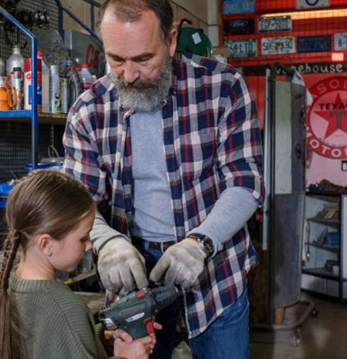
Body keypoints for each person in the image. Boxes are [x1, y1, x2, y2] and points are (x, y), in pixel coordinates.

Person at [63, 0, 264, 358]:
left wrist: (200, 242)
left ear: (170, 41)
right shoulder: (88, 111)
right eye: (116, 60)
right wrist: (106, 240)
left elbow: (245, 183)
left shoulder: (223, 87)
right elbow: (78, 201)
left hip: (215, 267)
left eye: (143, 59)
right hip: (134, 274)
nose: (128, 75)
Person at [0, 170, 159, 359]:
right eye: (83, 238)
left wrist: (101, 335)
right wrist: (126, 357)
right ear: (47, 244)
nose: (90, 245)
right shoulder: (65, 309)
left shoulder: (9, 284)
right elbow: (62, 329)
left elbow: (49, 344)